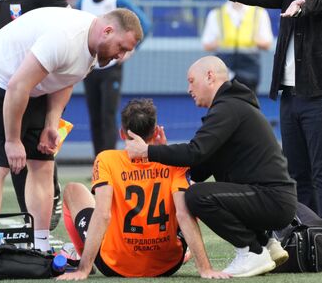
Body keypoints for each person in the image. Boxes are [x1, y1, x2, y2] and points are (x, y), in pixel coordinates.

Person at [188, 0, 322, 222]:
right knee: (297, 171)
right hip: (291, 97)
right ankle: (306, 229)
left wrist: (302, 3)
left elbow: (317, 1)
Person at [0, 7, 142, 252]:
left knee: (43, 164)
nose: (121, 56)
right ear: (107, 31)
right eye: (121, 48)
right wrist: (12, 140)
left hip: (33, 85)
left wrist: (51, 122)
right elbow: (17, 86)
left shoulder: (97, 49)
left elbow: (67, 78)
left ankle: (40, 244)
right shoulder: (66, 38)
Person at [126, 56, 297, 278]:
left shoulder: (228, 108)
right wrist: (164, 151)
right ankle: (266, 243)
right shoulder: (231, 107)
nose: (188, 89)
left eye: (191, 81)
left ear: (209, 77)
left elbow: (195, 151)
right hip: (273, 199)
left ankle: (252, 250)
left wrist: (148, 152)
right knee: (199, 191)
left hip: (273, 200)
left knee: (197, 196)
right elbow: (198, 169)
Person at [57, 99, 229, 280]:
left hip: (114, 265)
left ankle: (82, 260)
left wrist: (82, 270)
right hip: (168, 264)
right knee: (189, 191)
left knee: (73, 190)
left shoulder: (106, 159)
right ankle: (185, 252)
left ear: (122, 134)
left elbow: (103, 214)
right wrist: (205, 269)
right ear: (155, 132)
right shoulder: (175, 161)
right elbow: (183, 214)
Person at [0, 0, 69, 231]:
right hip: (11, 87)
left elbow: (71, 25)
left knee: (37, 155)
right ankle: (31, 223)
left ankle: (49, 209)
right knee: (13, 157)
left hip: (39, 87)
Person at [76, 0, 152, 157]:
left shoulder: (118, 0)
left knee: (108, 115)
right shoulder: (83, 2)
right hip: (90, 68)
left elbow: (144, 23)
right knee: (94, 117)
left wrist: (131, 50)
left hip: (111, 69)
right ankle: (98, 162)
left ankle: (109, 161)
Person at [201, 0, 273, 93]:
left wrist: (249, 40)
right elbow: (206, 44)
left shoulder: (259, 13)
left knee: (248, 107)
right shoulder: (216, 14)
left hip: (249, 68)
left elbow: (267, 43)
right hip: (224, 68)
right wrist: (224, 41)